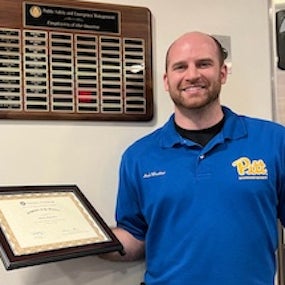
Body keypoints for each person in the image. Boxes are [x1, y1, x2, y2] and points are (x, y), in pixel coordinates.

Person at [101, 31, 285, 285]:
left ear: (222, 73)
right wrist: (85, 240)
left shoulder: (274, 141)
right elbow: (135, 237)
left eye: (203, 64)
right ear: (167, 80)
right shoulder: (138, 156)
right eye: (180, 67)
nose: (192, 75)